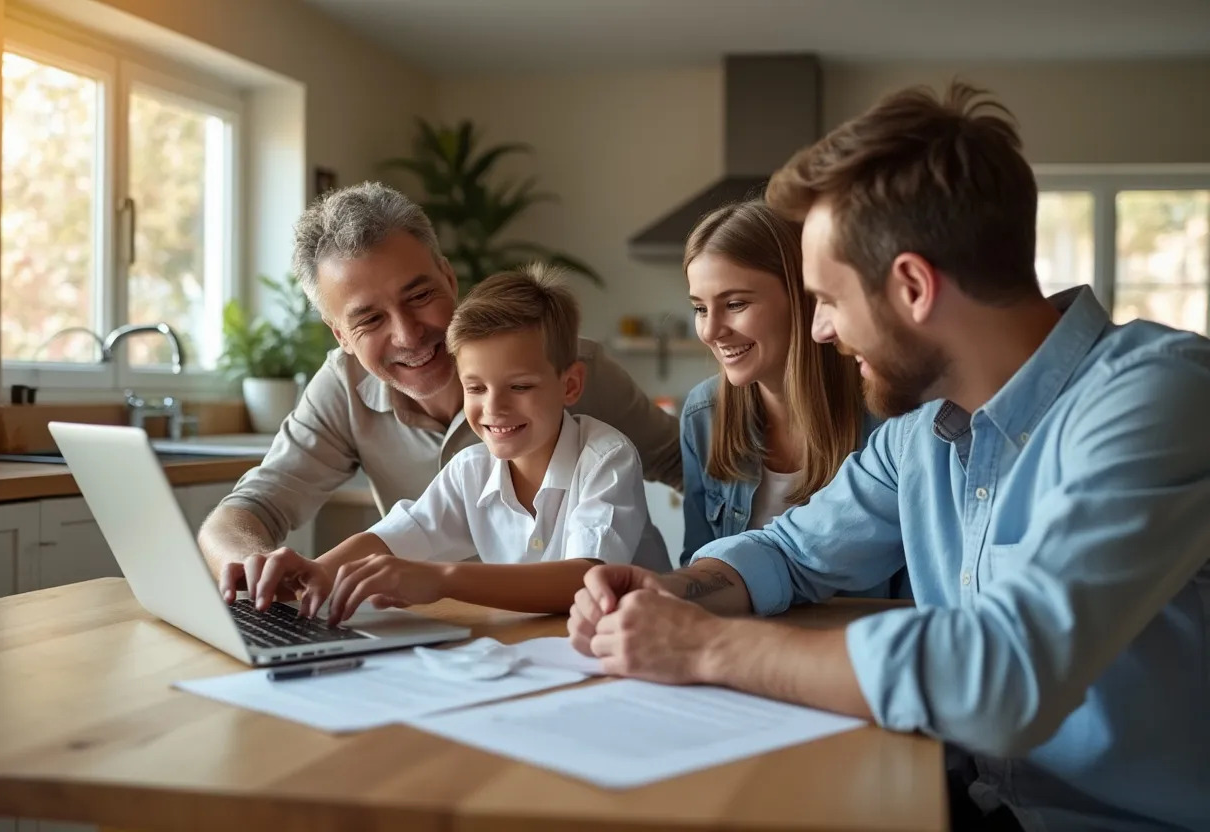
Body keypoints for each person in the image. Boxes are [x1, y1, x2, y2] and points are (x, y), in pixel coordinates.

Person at [567, 82, 1210, 832]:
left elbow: (1002, 675)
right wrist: (677, 592)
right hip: (968, 802)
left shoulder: (1157, 398)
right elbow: (792, 551)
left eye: (829, 300)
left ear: (911, 286)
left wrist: (707, 645)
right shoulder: (920, 431)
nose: (821, 333)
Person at [199, 182, 680, 606]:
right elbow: (393, 535)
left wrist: (723, 584)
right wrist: (304, 575)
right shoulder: (466, 466)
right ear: (340, 334)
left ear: (449, 278)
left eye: (419, 296)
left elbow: (691, 468)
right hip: (489, 641)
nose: (408, 335)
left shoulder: (585, 399)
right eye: (369, 318)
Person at [296, 267, 667, 625]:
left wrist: (440, 579)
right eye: (475, 388)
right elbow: (396, 537)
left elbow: (587, 581)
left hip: (640, 650)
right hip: (542, 647)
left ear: (569, 385)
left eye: (519, 386)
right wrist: (312, 572)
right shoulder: (470, 470)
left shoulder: (605, 457)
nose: (494, 408)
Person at [679, 201, 903, 597]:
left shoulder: (888, 418)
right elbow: (696, 564)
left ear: (804, 299)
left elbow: (910, 597)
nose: (711, 330)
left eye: (735, 304)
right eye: (699, 308)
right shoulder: (703, 415)